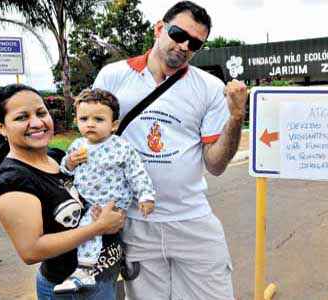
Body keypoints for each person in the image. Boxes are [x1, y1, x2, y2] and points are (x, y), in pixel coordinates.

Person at [92, 1, 248, 299]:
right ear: (159, 28)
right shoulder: (113, 77)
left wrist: (236, 118)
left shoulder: (209, 87)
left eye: (195, 43)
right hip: (136, 222)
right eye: (178, 34)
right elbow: (96, 139)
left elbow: (215, 164)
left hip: (192, 218)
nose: (184, 45)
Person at [0, 84, 126, 299]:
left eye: (41, 113)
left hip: (104, 276)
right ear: (1, 127)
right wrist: (99, 227)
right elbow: (31, 251)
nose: (36, 123)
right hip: (72, 290)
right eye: (22, 117)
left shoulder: (57, 157)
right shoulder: (12, 180)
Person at [53, 88, 157, 293]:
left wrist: (146, 196)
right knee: (81, 227)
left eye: (98, 119)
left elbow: (137, 173)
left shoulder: (121, 147)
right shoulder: (77, 145)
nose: (90, 124)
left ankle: (85, 270)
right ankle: (117, 259)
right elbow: (64, 170)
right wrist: (70, 163)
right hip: (85, 200)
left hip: (110, 203)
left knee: (90, 227)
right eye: (84, 118)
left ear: (114, 125)